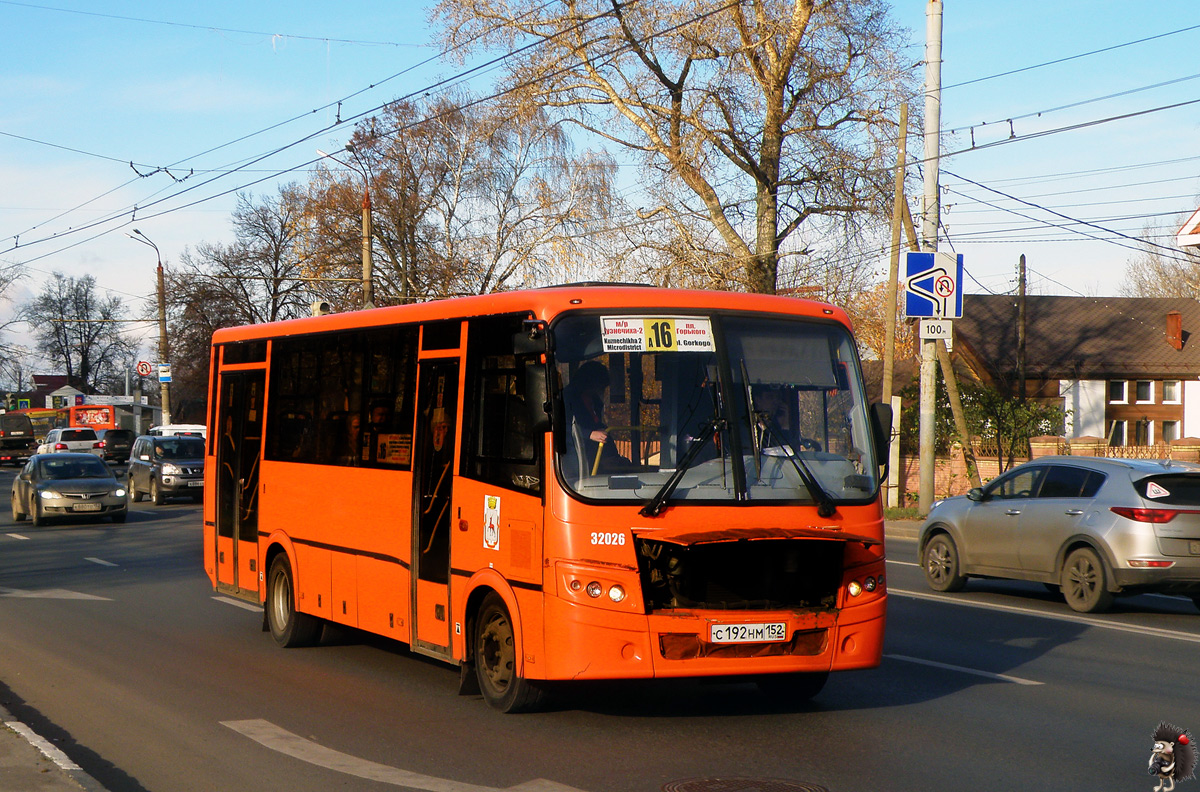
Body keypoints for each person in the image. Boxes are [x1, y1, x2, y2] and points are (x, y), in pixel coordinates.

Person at [563, 361, 632, 475]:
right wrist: (589, 434)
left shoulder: (594, 400)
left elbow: (597, 425)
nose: (600, 390)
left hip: (596, 457)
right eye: (598, 386)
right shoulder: (566, 398)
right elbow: (559, 427)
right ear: (589, 382)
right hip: (575, 459)